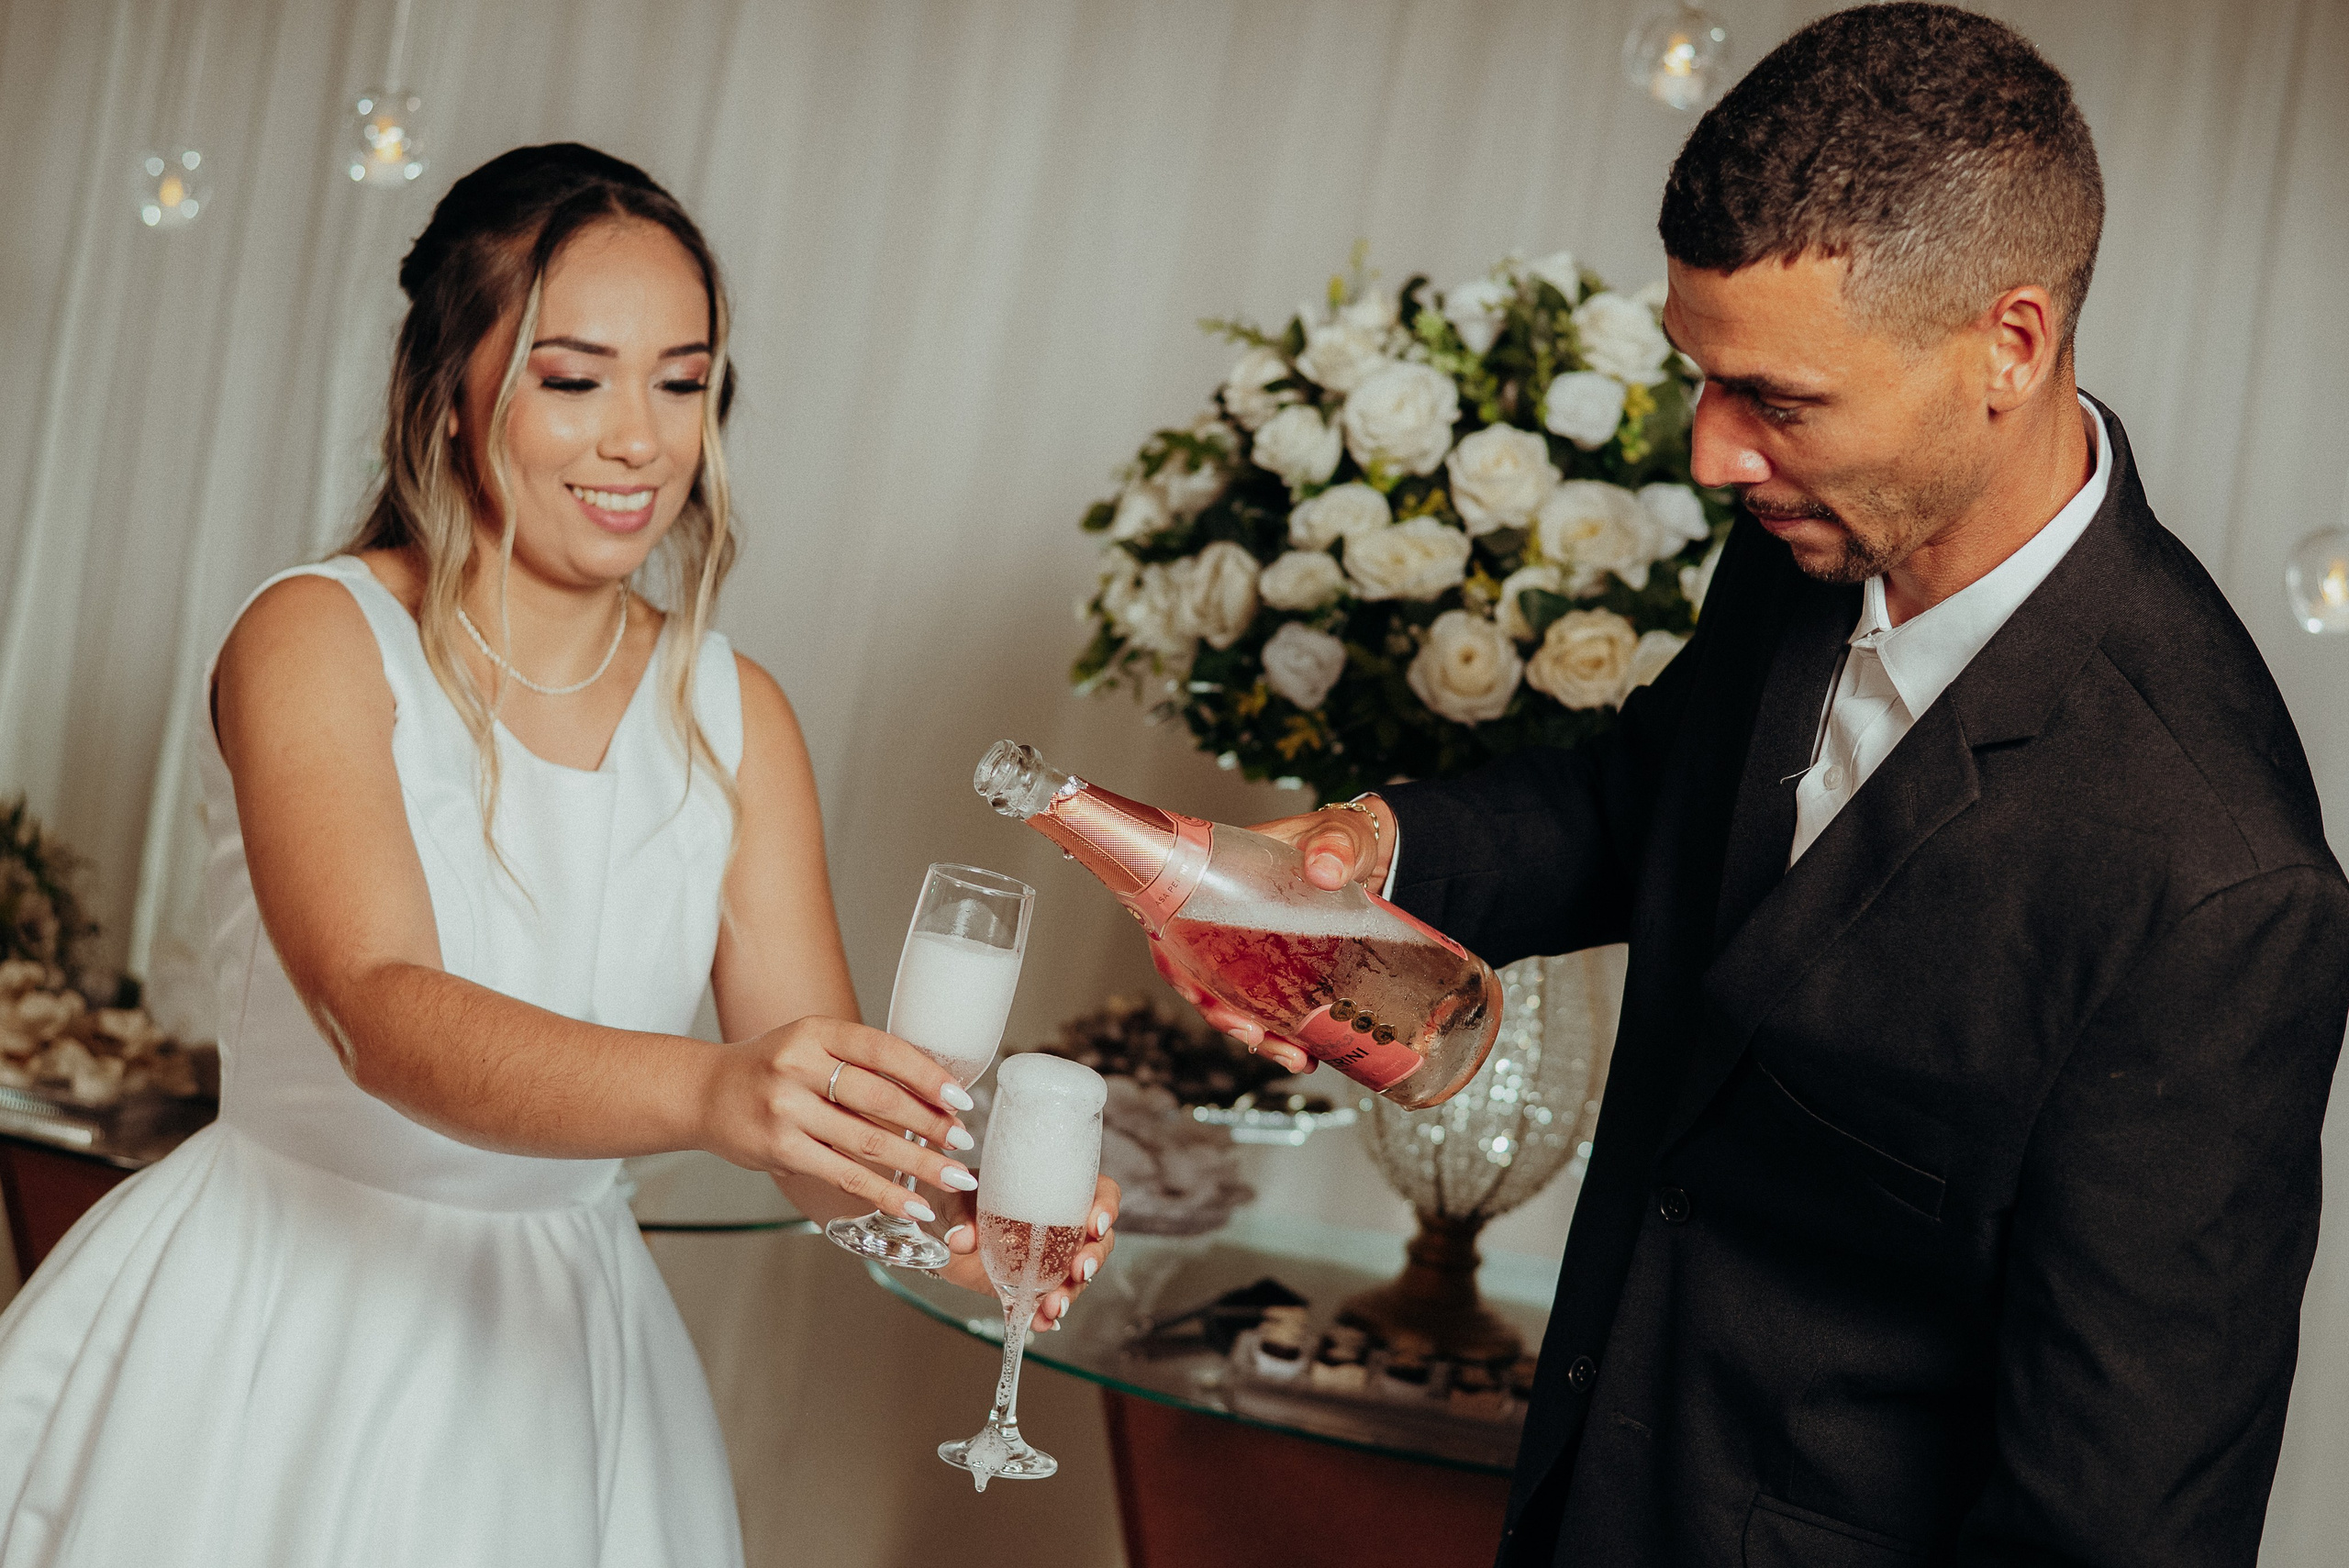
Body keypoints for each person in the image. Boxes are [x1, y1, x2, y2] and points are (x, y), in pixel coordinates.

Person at [1174, 7, 2349, 1564]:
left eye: (1777, 399)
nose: (1716, 455)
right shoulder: (1812, 534)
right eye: (1701, 377)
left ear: (2010, 343)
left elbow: (2116, 1528)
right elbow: (1642, 796)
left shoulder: (2217, 883)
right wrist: (1370, 844)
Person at [0, 143, 1118, 1566]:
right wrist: (718, 1090)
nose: (642, 440)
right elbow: (377, 1003)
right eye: (575, 377)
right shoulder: (317, 638)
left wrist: (951, 1217)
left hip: (566, 1363)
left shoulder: (737, 712)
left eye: (684, 378)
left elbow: (808, 1113)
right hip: (271, 1321)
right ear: (448, 392)